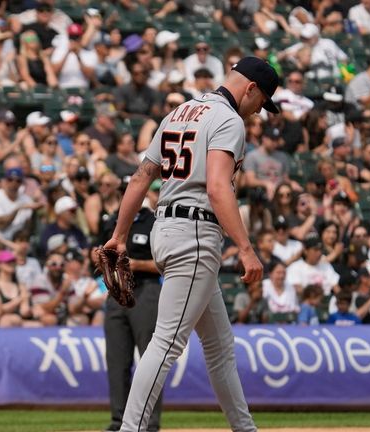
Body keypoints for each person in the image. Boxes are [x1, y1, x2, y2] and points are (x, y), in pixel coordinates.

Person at [103, 56, 280, 432]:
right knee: (166, 344)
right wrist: (246, 248)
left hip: (166, 229)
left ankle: (245, 429)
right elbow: (217, 188)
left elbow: (141, 177)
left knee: (219, 348)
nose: (258, 111)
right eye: (261, 101)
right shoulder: (229, 120)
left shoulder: (179, 112)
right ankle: (131, 429)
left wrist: (119, 235)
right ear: (250, 89)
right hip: (195, 233)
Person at [101, 200, 163, 432]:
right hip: (115, 291)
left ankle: (150, 423)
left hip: (146, 289)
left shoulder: (155, 221)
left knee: (150, 358)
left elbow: (165, 263)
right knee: (117, 361)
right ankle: (119, 421)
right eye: (122, 192)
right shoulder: (111, 221)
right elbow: (96, 254)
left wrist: (136, 265)